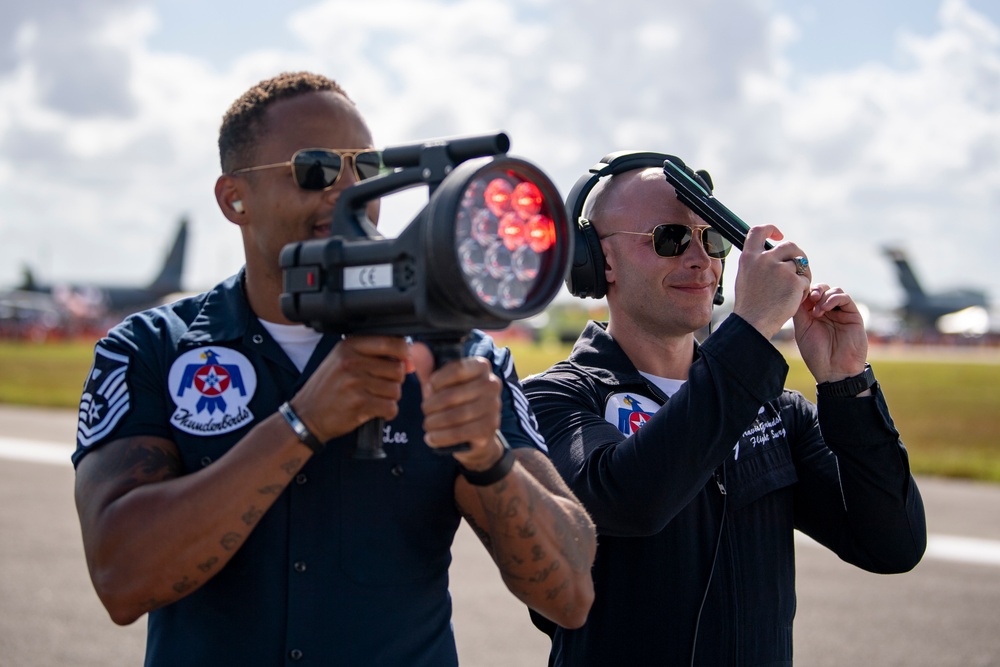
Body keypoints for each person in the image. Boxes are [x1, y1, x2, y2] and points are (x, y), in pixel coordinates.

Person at [72, 71, 596, 667]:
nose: (347, 192)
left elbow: (569, 596)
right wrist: (301, 423)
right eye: (315, 170)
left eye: (366, 169)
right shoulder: (150, 348)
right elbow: (120, 578)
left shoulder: (462, 357)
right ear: (233, 199)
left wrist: (488, 457)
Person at [522, 155, 927, 666]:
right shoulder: (554, 399)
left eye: (711, 239)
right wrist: (752, 325)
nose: (700, 259)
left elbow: (894, 544)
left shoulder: (773, 411)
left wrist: (848, 384)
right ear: (598, 261)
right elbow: (629, 500)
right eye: (669, 238)